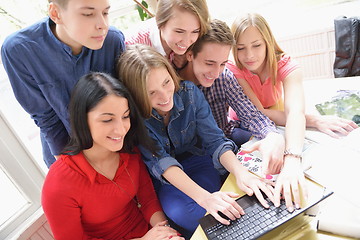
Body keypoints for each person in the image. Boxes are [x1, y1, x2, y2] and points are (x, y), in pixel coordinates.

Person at [117, 44, 275, 237]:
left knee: (228, 198)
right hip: (166, 179)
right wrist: (205, 199)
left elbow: (215, 140)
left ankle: (253, 229)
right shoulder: (136, 117)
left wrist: (242, 174)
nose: (165, 95)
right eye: (151, 93)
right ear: (136, 94)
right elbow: (162, 163)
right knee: (184, 212)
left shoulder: (189, 93)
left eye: (166, 82)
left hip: (198, 161)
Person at [41, 72, 184, 240]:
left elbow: (147, 199)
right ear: (82, 120)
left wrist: (166, 232)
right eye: (108, 120)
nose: (121, 129)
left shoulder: (129, 150)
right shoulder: (58, 186)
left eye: (125, 116)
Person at [1, 0, 125, 167]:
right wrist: (72, 167)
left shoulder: (113, 41)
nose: (103, 25)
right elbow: (46, 118)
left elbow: (123, 108)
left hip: (115, 149)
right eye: (88, 14)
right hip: (65, 153)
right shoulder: (19, 50)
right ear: (56, 14)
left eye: (105, 13)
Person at [178, 19, 285, 178]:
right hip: (194, 156)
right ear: (189, 55)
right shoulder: (172, 87)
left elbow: (250, 114)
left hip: (225, 140)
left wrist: (272, 135)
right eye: (209, 63)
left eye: (222, 64)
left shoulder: (224, 77)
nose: (216, 73)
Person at [227, 13, 358, 139]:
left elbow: (295, 112)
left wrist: (304, 118)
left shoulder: (284, 64)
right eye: (240, 48)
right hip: (244, 119)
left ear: (268, 42)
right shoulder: (233, 69)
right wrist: (315, 120)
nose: (249, 55)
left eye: (256, 45)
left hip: (274, 107)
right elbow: (258, 113)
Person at [125, 0, 210, 70]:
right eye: (179, 31)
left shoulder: (199, 40)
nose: (187, 41)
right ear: (161, 23)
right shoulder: (131, 49)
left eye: (195, 31)